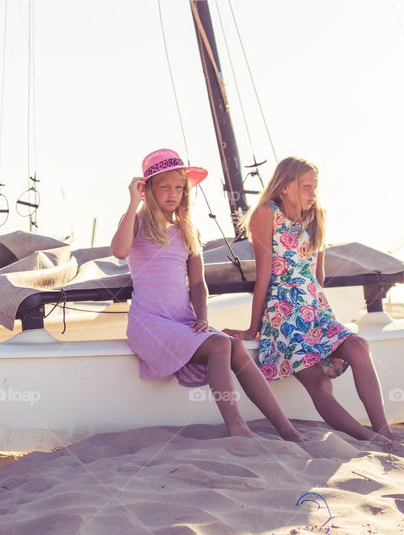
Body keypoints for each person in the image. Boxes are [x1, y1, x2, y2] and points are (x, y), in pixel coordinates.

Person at [223, 156, 404, 444]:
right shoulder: (266, 213)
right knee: (319, 383)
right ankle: (372, 439)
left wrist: (319, 308)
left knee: (358, 346)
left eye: (315, 187)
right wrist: (253, 328)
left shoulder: (317, 215)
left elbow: (319, 275)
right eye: (306, 186)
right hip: (284, 314)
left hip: (316, 310)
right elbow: (263, 274)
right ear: (285, 186)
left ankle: (383, 431)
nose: (312, 193)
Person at [111, 148, 302, 441]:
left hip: (183, 320)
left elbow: (198, 284)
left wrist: (202, 317)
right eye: (164, 187)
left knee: (235, 347)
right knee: (219, 345)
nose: (173, 194)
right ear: (148, 189)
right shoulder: (136, 222)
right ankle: (237, 427)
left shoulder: (187, 231)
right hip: (150, 323)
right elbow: (119, 250)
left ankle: (285, 428)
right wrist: (133, 201)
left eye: (179, 188)